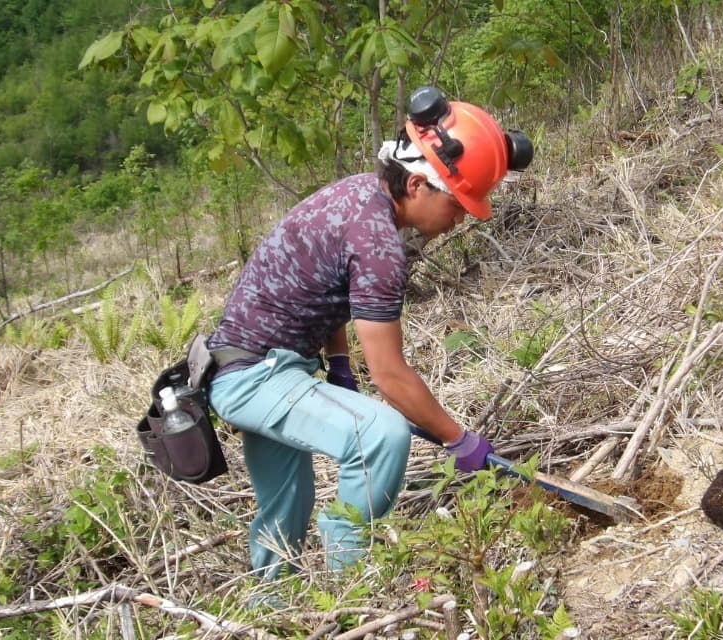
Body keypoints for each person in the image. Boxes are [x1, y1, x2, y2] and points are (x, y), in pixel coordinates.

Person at [206, 86, 534, 575]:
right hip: (255, 377)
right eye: (458, 203)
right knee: (381, 434)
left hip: (246, 363)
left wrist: (338, 363)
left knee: (284, 507)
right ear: (418, 186)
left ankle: (272, 602)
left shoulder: (361, 194)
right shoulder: (380, 246)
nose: (462, 216)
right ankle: (348, 581)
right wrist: (458, 439)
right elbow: (390, 376)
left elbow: (325, 286)